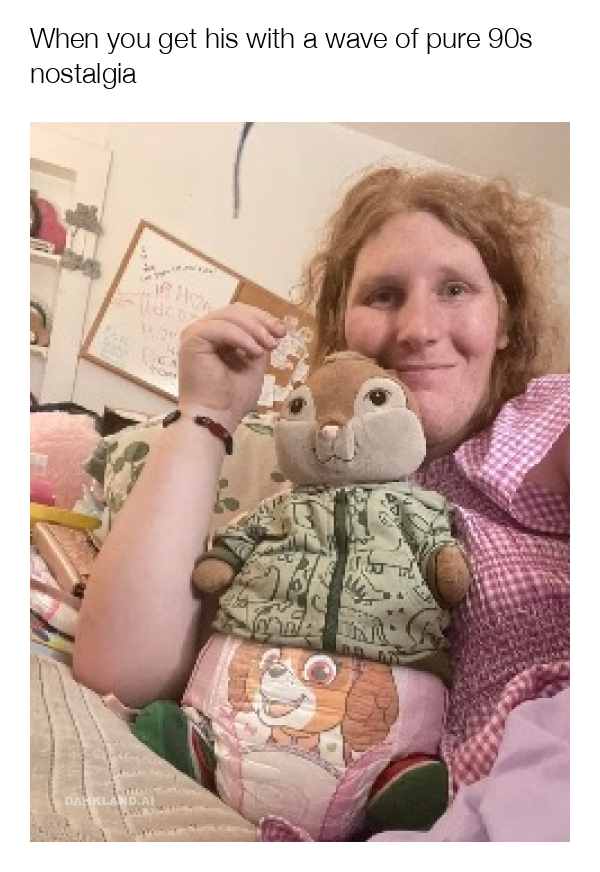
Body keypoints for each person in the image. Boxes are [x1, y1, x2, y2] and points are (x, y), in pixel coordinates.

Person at [73, 165, 569, 834]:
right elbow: (119, 671)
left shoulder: (551, 424)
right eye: (383, 295)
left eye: (455, 289)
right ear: (339, 329)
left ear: (504, 318)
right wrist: (206, 415)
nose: (418, 327)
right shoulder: (316, 495)